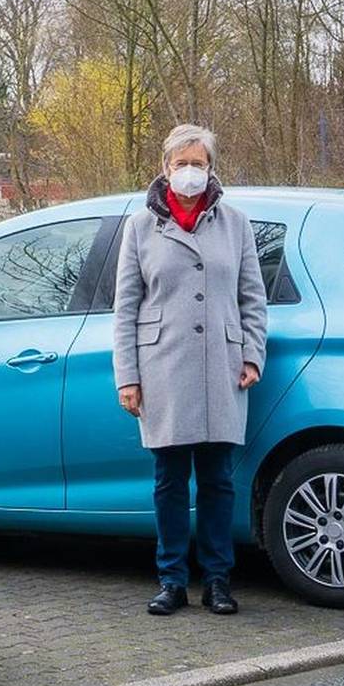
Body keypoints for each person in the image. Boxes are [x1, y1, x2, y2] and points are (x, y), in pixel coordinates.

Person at [112, 125, 268, 616]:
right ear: (164, 169)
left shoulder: (235, 223)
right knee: (170, 480)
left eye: (197, 162)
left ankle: (218, 580)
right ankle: (172, 580)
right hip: (164, 367)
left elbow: (252, 298)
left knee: (218, 479)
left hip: (222, 366)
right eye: (180, 163)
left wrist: (252, 354)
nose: (189, 172)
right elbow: (126, 308)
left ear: (211, 167)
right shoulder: (141, 227)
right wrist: (128, 375)